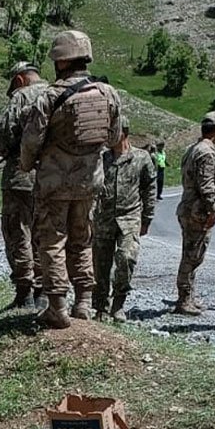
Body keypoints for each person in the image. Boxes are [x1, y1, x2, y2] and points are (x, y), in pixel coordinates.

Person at [20, 30, 123, 328]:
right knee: (82, 239)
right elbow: (115, 137)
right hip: (89, 183)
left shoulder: (49, 97)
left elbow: (31, 142)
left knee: (52, 241)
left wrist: (29, 165)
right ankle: (84, 303)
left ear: (61, 61)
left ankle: (57, 306)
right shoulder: (108, 93)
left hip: (54, 185)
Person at [0, 62, 49, 308]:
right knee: (44, 234)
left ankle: (24, 292)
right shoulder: (55, 92)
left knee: (18, 232)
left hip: (21, 177)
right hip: (50, 177)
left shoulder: (21, 96)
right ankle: (44, 291)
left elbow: (5, 135)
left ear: (19, 80)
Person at [92, 115, 156, 322]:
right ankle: (101, 307)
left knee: (127, 258)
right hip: (103, 218)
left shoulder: (142, 158)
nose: (109, 136)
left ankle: (118, 303)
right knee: (100, 264)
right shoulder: (102, 157)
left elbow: (149, 188)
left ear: (124, 133)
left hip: (129, 217)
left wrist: (147, 218)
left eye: (113, 132)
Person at [173, 112, 215, 315]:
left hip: (188, 207)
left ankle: (189, 297)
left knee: (193, 255)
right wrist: (211, 210)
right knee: (191, 256)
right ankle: (184, 299)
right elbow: (206, 186)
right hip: (197, 211)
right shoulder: (207, 152)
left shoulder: (193, 149)